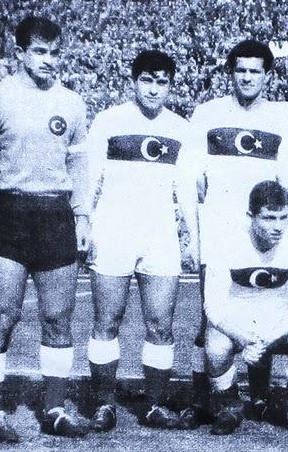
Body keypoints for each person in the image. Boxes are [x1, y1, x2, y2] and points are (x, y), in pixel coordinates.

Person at [0, 15, 90, 442]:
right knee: (2, 315)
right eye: (39, 51)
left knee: (58, 319)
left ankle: (54, 409)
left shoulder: (72, 102)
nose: (49, 60)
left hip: (56, 215)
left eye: (55, 52)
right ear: (20, 53)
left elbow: (79, 165)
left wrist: (83, 215)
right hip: (10, 213)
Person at [187, 39, 288, 423]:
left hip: (260, 231)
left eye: (255, 71)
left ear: (267, 76)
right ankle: (208, 399)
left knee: (262, 304)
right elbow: (194, 179)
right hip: (218, 231)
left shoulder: (281, 121)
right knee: (210, 319)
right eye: (241, 70)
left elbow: (285, 181)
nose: (248, 77)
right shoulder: (207, 114)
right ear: (231, 73)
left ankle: (261, 395)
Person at [84, 50, 199, 431]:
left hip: (159, 235)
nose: (153, 89)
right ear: (134, 81)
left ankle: (154, 405)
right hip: (112, 231)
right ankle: (104, 404)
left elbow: (186, 191)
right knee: (107, 321)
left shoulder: (180, 128)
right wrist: (84, 223)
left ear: (170, 86)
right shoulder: (108, 120)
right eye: (147, 80)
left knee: (161, 325)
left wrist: (192, 239)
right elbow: (90, 178)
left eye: (162, 82)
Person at [202, 181, 288, 435]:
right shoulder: (225, 242)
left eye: (283, 218)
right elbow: (213, 305)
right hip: (237, 316)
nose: (278, 226)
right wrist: (244, 338)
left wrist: (267, 338)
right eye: (269, 218)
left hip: (279, 317)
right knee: (215, 346)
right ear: (251, 217)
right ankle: (229, 406)